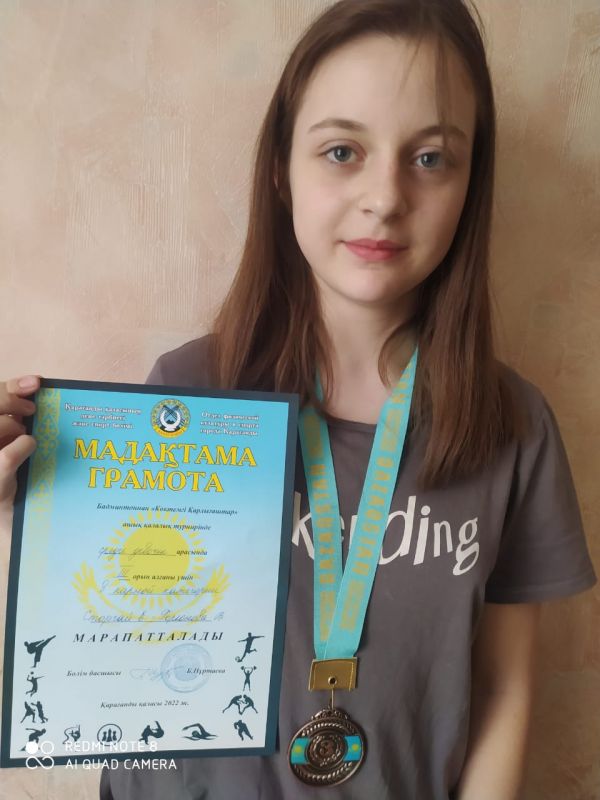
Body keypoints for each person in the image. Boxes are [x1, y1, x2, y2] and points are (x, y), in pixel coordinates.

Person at [1, 1, 596, 798]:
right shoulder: (186, 395)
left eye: (430, 158)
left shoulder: (512, 426)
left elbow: (503, 691)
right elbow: (111, 628)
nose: (385, 197)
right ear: (281, 169)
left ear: (470, 185)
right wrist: (31, 501)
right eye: (342, 151)